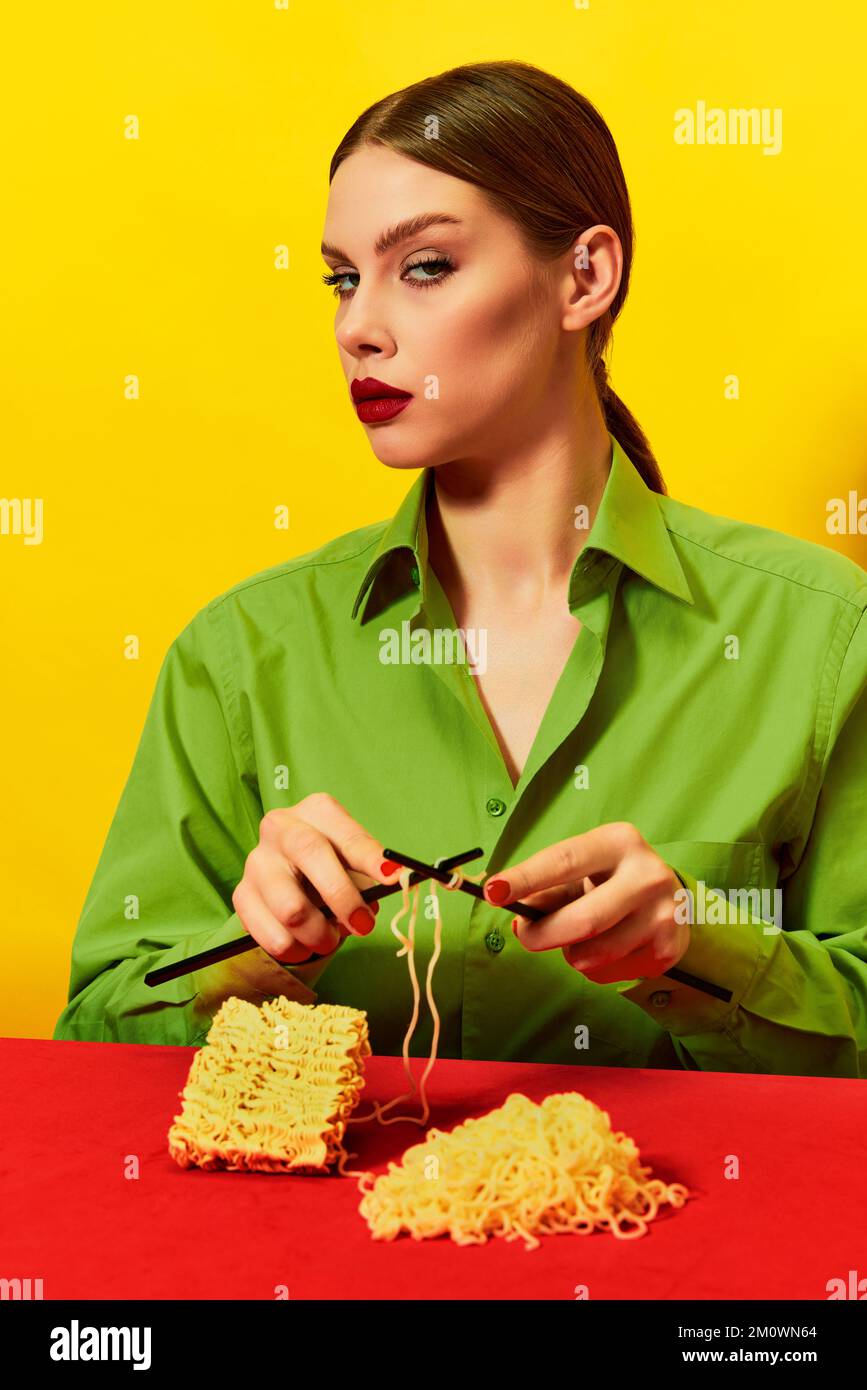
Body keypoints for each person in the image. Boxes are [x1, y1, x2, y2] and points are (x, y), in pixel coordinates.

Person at [55, 60, 867, 1076]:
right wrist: (248, 962)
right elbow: (83, 1059)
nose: (358, 326)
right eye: (343, 278)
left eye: (424, 266)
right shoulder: (237, 658)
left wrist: (699, 947)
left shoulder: (824, 635)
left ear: (585, 276)